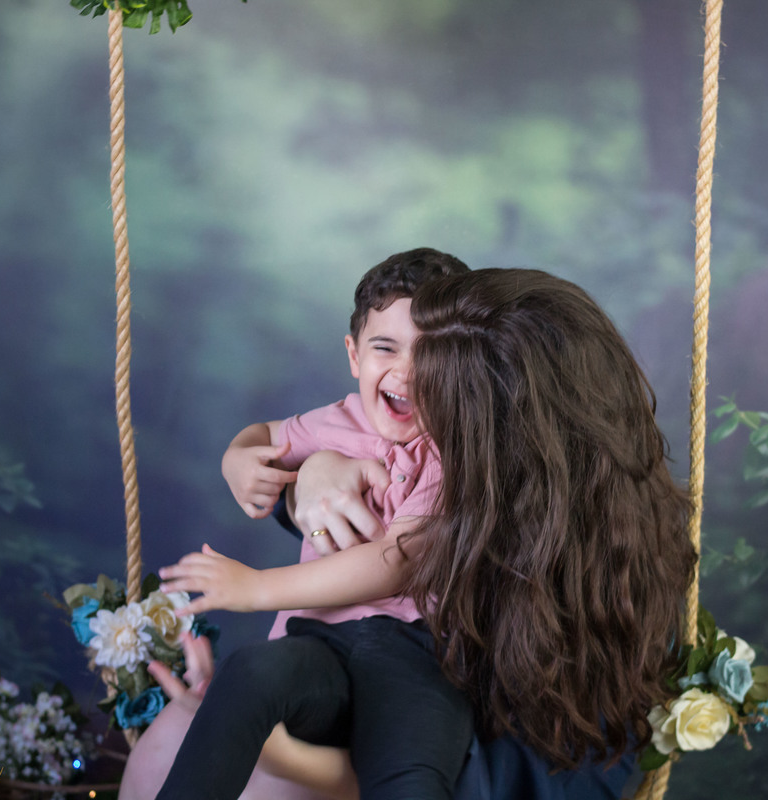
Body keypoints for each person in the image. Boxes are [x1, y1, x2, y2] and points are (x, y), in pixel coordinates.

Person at [156, 268, 697, 800]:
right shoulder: (412, 453)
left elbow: (499, 777)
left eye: (451, 400)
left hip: (405, 733)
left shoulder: (604, 616)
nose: (418, 395)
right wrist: (313, 477)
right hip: (327, 675)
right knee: (231, 693)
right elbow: (310, 488)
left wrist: (302, 763)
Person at [120, 247, 471, 800]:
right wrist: (237, 460)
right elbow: (262, 434)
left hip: (417, 656)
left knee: (413, 777)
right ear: (354, 354)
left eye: (435, 354)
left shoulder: (457, 449)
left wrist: (256, 587)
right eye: (385, 347)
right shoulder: (338, 421)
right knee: (250, 673)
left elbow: (396, 562)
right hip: (319, 644)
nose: (407, 372)